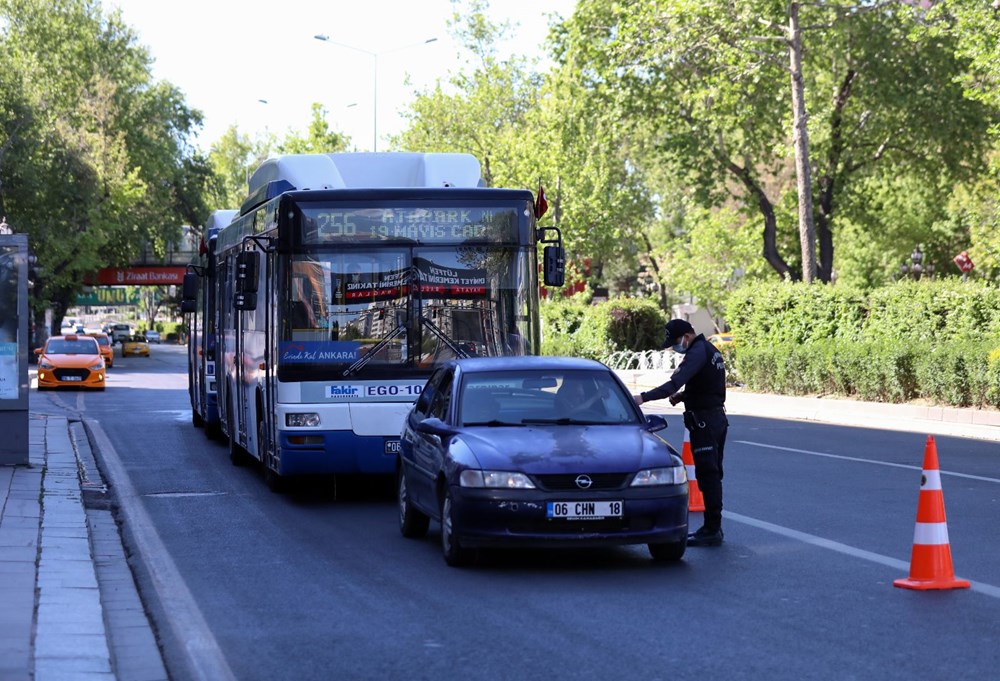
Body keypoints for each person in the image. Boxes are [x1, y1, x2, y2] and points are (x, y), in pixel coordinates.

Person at [632, 319, 728, 547]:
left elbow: (674, 383)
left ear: (686, 335)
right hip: (715, 418)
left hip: (705, 421)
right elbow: (709, 384)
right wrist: (684, 396)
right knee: (712, 474)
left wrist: (642, 397)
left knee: (708, 476)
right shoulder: (710, 349)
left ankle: (712, 529)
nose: (675, 347)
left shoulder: (696, 352)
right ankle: (713, 527)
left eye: (675, 342)